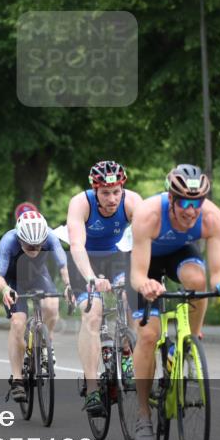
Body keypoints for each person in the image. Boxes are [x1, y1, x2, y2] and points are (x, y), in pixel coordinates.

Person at [129, 164, 220, 440]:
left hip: (179, 253)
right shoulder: (148, 215)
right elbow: (137, 275)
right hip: (145, 262)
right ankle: (143, 414)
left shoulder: (213, 218)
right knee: (147, 335)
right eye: (185, 203)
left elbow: (218, 273)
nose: (191, 211)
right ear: (171, 198)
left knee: (196, 278)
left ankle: (189, 342)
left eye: (197, 203)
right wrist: (146, 285)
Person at [65, 160, 142, 416]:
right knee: (93, 311)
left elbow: (145, 240)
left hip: (115, 257)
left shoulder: (133, 202)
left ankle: (129, 358)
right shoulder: (80, 203)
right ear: (95, 190)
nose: (112, 198)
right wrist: (90, 277)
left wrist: (146, 274)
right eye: (105, 192)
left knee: (134, 298)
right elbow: (76, 245)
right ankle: (91, 388)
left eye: (116, 191)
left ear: (123, 188)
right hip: (83, 260)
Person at [0, 210, 70, 403]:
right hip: (13, 281)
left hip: (37, 276)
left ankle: (46, 343)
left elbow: (63, 266)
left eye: (38, 246)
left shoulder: (50, 236)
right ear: (19, 239)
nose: (34, 249)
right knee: (18, 323)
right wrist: (4, 290)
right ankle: (17, 379)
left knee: (52, 305)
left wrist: (68, 285)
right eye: (28, 246)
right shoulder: (8, 241)